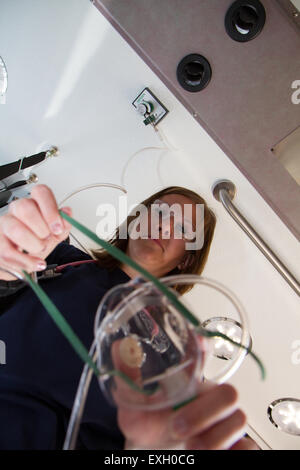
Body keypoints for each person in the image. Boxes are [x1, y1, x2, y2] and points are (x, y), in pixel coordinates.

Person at [0, 184, 258, 450]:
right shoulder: (64, 260)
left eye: (182, 229)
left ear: (186, 261)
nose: (164, 226)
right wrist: (7, 262)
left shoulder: (176, 357)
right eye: (159, 212)